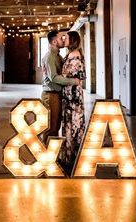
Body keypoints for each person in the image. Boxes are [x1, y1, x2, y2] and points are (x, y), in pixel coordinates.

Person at [41, 30, 80, 144]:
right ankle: (46, 155)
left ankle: (52, 154)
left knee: (55, 126)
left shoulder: (58, 56)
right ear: (54, 41)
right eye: (60, 38)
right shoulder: (50, 57)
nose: (63, 40)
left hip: (56, 95)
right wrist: (73, 81)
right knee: (51, 128)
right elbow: (54, 78)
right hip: (51, 95)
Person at [59, 31, 86, 176]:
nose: (64, 39)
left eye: (67, 37)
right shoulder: (70, 54)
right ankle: (68, 155)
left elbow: (77, 77)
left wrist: (63, 76)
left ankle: (73, 156)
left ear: (73, 40)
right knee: (68, 124)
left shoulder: (76, 55)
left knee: (74, 124)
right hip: (68, 93)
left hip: (73, 95)